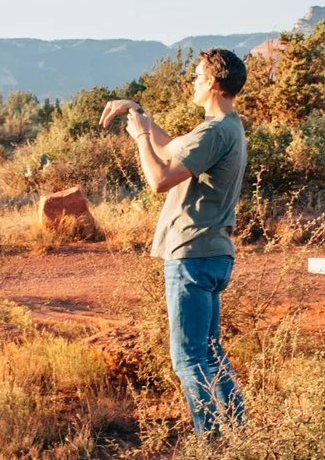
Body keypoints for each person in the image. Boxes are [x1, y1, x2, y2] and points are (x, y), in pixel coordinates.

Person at [102, 49, 248, 434]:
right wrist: (139, 114)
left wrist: (139, 140)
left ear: (214, 84)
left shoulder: (214, 131)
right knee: (211, 355)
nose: (193, 82)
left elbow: (159, 179)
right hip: (212, 254)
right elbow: (172, 150)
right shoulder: (226, 127)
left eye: (198, 77)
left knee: (188, 359)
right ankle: (239, 436)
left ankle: (211, 442)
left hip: (191, 256)